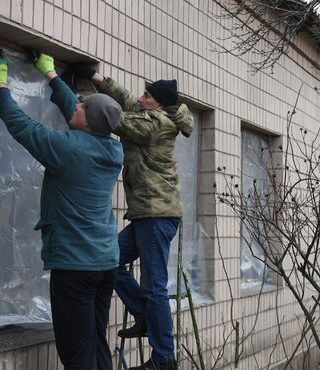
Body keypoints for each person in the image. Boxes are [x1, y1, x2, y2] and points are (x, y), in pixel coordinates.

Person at [0, 48, 123, 370]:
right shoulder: (112, 148)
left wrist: (1, 82)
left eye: (83, 105)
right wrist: (49, 74)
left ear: (89, 120)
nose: (76, 104)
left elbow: (19, 124)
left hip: (76, 266)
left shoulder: (69, 150)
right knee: (94, 341)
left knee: (76, 352)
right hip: (105, 263)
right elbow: (79, 112)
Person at [66, 64, 194, 370]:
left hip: (156, 214)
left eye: (147, 95)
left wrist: (79, 103)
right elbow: (125, 99)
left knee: (154, 286)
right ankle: (143, 315)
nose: (141, 97)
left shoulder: (155, 123)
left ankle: (163, 359)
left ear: (159, 103)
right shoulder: (150, 111)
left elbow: (118, 120)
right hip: (145, 215)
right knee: (109, 260)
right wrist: (97, 78)